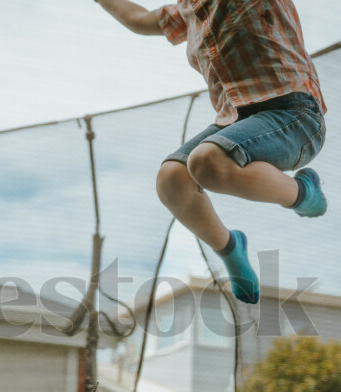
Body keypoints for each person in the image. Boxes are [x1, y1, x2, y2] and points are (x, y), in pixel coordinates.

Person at [95, 0, 328, 303]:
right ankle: (231, 250)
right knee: (171, 178)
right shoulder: (187, 10)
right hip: (234, 123)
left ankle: (303, 192)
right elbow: (138, 18)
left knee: (207, 161)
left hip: (293, 115)